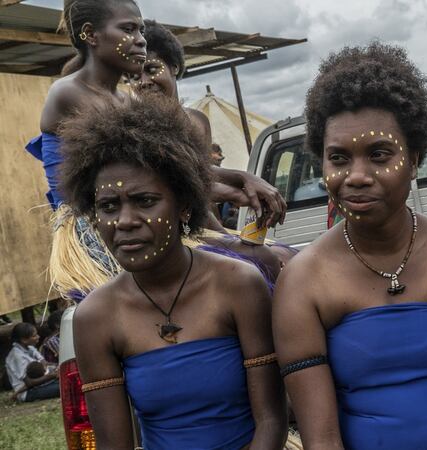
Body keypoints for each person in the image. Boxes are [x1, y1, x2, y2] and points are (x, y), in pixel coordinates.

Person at [272, 42, 427, 450]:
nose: (357, 175)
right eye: (339, 158)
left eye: (380, 155)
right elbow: (323, 439)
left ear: (415, 158)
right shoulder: (303, 281)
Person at [58, 94, 287, 449]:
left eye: (145, 201)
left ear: (184, 205)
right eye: (108, 206)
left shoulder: (238, 284)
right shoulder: (97, 317)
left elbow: (271, 421)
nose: (125, 221)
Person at [27, 1, 286, 301]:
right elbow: (155, 172)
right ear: (91, 35)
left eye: (140, 30)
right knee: (257, 263)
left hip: (143, 216)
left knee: (268, 256)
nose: (140, 39)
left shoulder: (124, 103)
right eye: (128, 29)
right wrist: (229, 188)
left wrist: (241, 178)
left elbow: (170, 165)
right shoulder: (69, 92)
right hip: (105, 234)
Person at [131, 19, 296, 286]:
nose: (144, 81)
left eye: (152, 69)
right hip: (170, 236)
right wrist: (240, 186)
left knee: (289, 256)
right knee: (267, 259)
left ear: (174, 67)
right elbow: (181, 186)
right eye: (134, 76)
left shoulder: (196, 121)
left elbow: (200, 183)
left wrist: (226, 234)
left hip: (204, 227)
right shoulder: (135, 127)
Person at [5, 323, 59, 402]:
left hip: (40, 383)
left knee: (66, 381)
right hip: (27, 392)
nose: (38, 337)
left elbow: (44, 362)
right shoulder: (17, 356)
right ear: (24, 339)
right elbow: (29, 383)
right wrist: (51, 376)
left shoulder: (29, 347)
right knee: (64, 388)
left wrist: (57, 366)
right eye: (34, 336)